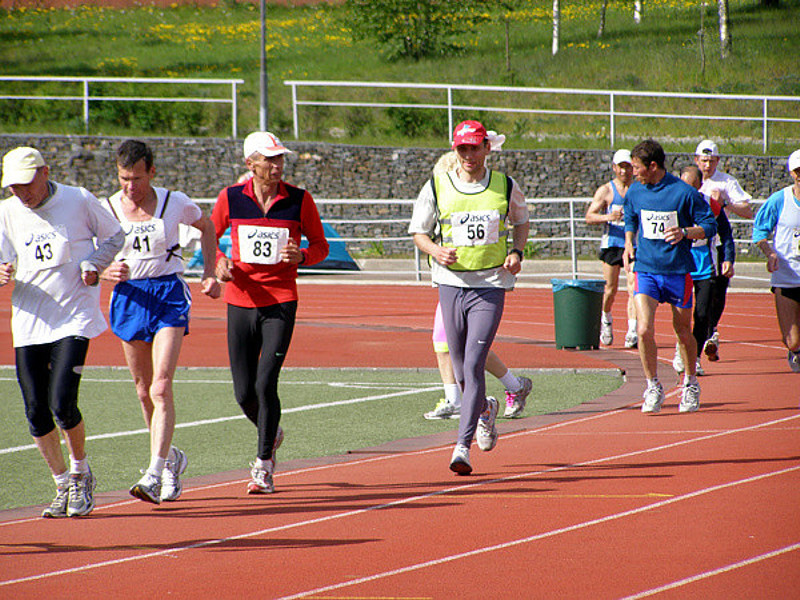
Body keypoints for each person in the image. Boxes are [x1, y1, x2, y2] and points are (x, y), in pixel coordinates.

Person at [0, 146, 124, 518]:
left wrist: (95, 264)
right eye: (13, 187)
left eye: (26, 184)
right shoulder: (6, 212)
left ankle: (81, 471)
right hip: (29, 320)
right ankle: (61, 483)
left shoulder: (78, 200)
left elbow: (115, 238)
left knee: (62, 403)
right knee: (36, 411)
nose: (21, 193)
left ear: (45, 172)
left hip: (74, 316)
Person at [101, 140, 221, 504]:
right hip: (130, 298)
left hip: (168, 296)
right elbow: (88, 254)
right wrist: (106, 269)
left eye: (137, 178)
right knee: (142, 390)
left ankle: (153, 473)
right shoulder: (106, 209)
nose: (130, 187)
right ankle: (171, 460)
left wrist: (210, 273)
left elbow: (209, 227)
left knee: (160, 386)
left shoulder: (174, 202)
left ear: (152, 172)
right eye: (124, 178)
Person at [409, 120, 530, 474]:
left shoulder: (505, 186)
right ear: (455, 150)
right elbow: (419, 231)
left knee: (474, 362)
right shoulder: (436, 186)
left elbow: (521, 222)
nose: (468, 155)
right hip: (450, 283)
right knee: (460, 364)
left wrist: (517, 252)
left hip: (490, 284)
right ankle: (485, 409)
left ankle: (461, 447)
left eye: (474, 148)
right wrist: (436, 250)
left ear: (486, 148)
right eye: (462, 149)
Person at [212, 131, 329, 494]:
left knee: (266, 383)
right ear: (250, 164)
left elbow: (322, 246)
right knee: (243, 392)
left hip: (280, 301)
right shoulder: (230, 198)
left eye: (280, 159)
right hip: (240, 300)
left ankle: (263, 464)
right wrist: (219, 262)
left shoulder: (299, 199)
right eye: (269, 159)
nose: (277, 165)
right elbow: (208, 238)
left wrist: (303, 257)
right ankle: (271, 431)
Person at [622, 139, 716, 414]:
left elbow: (709, 225)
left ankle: (689, 383)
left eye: (637, 168)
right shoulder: (635, 191)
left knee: (682, 331)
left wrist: (685, 232)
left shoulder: (684, 193)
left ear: (653, 166)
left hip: (677, 272)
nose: (633, 172)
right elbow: (630, 216)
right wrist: (629, 241)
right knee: (642, 329)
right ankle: (653, 385)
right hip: (646, 270)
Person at [672, 165, 735, 379]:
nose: (686, 190)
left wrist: (728, 258)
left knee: (701, 314)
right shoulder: (672, 203)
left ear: (700, 185)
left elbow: (726, 233)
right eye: (683, 185)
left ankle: (695, 359)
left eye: (691, 186)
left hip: (704, 266)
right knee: (682, 315)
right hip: (681, 266)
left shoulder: (710, 204)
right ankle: (680, 350)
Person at [694, 140, 753, 361]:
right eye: (703, 160)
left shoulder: (726, 182)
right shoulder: (689, 181)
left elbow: (747, 211)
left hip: (717, 241)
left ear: (718, 161)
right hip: (692, 244)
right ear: (696, 160)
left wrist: (724, 204)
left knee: (717, 291)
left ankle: (710, 331)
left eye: (711, 161)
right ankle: (702, 336)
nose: (707, 165)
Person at [424, 301, 533, 420]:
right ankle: (453, 401)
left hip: (480, 294)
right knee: (442, 343)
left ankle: (516, 387)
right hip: (451, 290)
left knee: (475, 349)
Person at [752, 149, 800, 374]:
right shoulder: (780, 200)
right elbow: (759, 232)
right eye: (798, 171)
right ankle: (795, 350)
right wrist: (769, 252)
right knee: (791, 339)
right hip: (787, 276)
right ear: (792, 173)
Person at [585, 149, 638, 349]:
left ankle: (632, 330)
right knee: (610, 289)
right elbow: (589, 216)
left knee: (633, 287)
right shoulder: (606, 191)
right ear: (614, 168)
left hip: (633, 244)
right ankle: (606, 319)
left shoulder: (639, 189)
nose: (625, 171)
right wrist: (609, 217)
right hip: (612, 245)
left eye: (628, 167)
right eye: (621, 167)